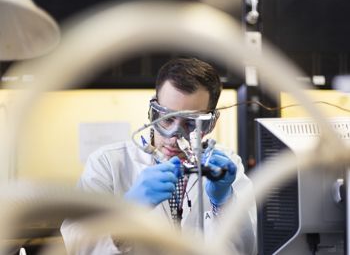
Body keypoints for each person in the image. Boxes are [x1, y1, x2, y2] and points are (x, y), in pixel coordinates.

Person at [61, 58, 257, 254]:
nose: (174, 136)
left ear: (210, 123)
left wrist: (224, 202)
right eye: (167, 118)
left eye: (190, 123)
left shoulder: (226, 166)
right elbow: (78, 246)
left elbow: (248, 249)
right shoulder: (108, 163)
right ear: (152, 112)